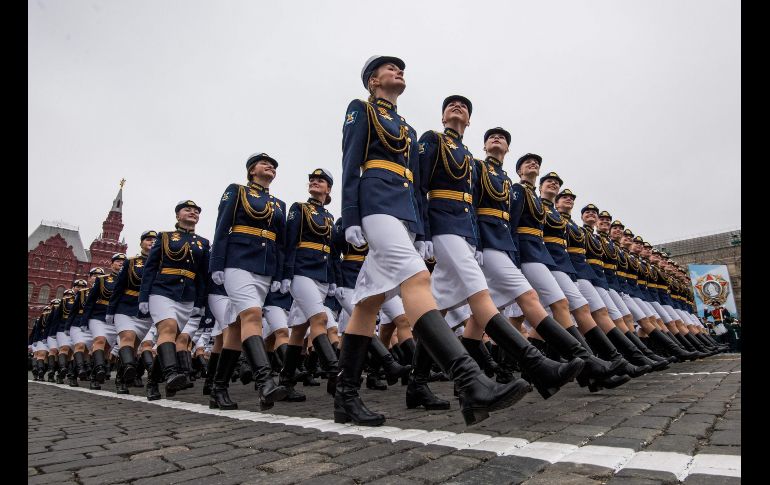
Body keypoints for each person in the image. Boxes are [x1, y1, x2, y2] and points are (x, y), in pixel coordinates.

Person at [339, 55, 528, 427]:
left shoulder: (406, 129)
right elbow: (349, 161)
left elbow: (416, 184)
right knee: (417, 279)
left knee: (367, 303)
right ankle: (469, 380)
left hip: (403, 214)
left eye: (401, 69)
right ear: (373, 81)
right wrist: (350, 216)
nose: (398, 72)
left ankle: (345, 396)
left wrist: (420, 230)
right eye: (389, 69)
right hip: (375, 204)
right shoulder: (362, 109)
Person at [210, 152, 289, 410]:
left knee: (235, 327)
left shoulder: (279, 204)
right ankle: (265, 382)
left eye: (274, 165)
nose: (271, 166)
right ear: (251, 170)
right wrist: (217, 263)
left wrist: (280, 274)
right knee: (253, 315)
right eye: (265, 163)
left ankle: (218, 388)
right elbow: (222, 227)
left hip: (265, 268)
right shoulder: (237, 191)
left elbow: (281, 243)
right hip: (238, 262)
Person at [139, 200, 210, 397]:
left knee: (169, 337)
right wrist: (144, 297)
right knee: (168, 328)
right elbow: (150, 268)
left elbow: (203, 276)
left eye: (196, 211)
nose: (193, 213)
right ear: (178, 215)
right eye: (188, 210)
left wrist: (200, 303)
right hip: (162, 290)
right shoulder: (164, 237)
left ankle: (153, 382)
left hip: (187, 296)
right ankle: (171, 374)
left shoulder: (203, 243)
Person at [281, 168, 341, 398]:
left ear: (328, 189)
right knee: (320, 319)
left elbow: (333, 252)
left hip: (321, 275)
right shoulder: (299, 208)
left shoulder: (329, 217)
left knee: (298, 329)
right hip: (302, 271)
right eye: (313, 180)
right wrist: (286, 274)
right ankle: (335, 370)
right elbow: (290, 242)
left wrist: (333, 279)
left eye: (321, 181)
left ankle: (286, 382)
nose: (315, 182)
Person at [107, 231, 158, 394]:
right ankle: (129, 368)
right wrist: (111, 310)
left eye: (155, 240)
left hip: (147, 311)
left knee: (134, 346)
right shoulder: (131, 262)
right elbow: (119, 287)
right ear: (141, 243)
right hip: (126, 306)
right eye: (148, 239)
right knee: (127, 339)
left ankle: (122, 378)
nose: (152, 242)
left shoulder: (162, 263)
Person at [82, 254, 126, 388]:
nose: (120, 264)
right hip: (99, 316)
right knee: (99, 340)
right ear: (111, 264)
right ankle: (98, 373)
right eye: (117, 261)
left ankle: (100, 369)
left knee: (107, 348)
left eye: (123, 262)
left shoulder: (128, 281)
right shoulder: (102, 280)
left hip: (116, 318)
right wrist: (84, 321)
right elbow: (90, 302)